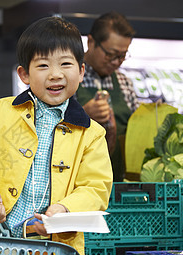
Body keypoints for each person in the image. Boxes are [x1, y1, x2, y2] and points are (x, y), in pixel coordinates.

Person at [0, 16, 112, 255]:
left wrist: (64, 210)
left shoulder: (92, 134)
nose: (55, 74)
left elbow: (95, 187)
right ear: (24, 74)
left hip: (53, 253)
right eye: (43, 65)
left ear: (81, 72)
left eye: (65, 64)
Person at [76, 11, 139, 182]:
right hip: (77, 181)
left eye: (122, 56)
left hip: (119, 180)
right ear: (91, 42)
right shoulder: (69, 77)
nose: (115, 62)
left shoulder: (124, 82)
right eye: (110, 54)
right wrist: (82, 114)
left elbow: (137, 130)